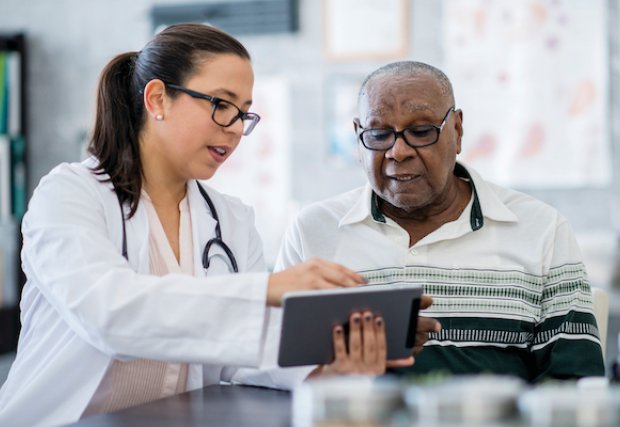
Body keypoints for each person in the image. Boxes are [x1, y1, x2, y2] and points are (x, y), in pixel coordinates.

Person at [0, 25, 419, 427]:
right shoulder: (70, 195)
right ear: (158, 98)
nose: (236, 129)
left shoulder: (231, 219)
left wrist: (329, 362)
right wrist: (264, 291)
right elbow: (109, 314)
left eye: (244, 114)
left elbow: (241, 354)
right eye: (222, 105)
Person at [276, 60, 606, 383]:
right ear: (358, 137)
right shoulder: (312, 231)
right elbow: (272, 371)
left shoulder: (541, 229)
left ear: (458, 131)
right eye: (378, 135)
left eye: (421, 132)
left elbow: (573, 382)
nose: (398, 151)